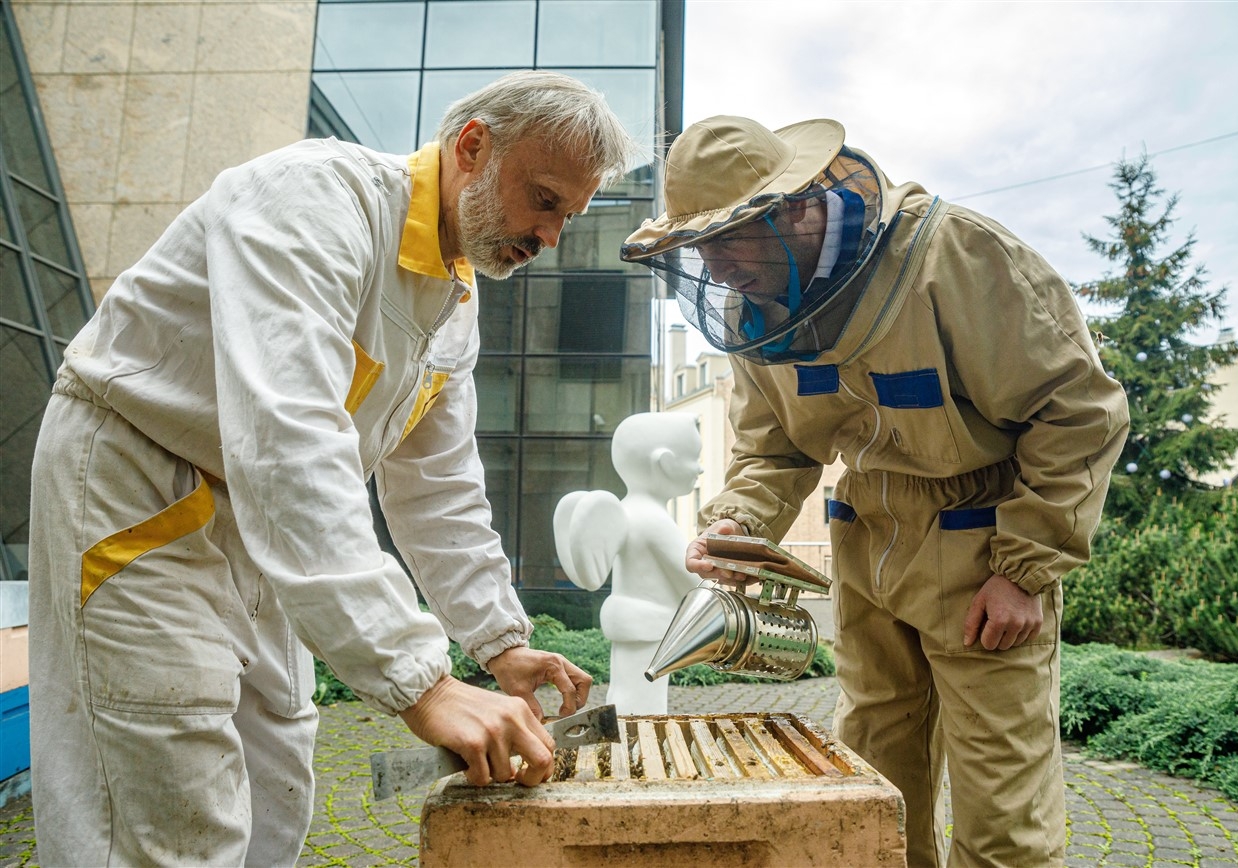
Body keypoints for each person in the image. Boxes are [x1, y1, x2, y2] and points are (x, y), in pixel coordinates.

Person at [27, 70, 640, 866]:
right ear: (473, 146)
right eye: (546, 199)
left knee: (273, 792)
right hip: (139, 491)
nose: (552, 235)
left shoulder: (454, 304)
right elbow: (289, 438)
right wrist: (423, 684)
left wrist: (499, 643)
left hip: (260, 531)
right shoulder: (311, 199)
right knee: (169, 810)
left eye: (570, 215)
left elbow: (439, 487)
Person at [621, 115, 1128, 866]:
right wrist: (737, 523)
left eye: (729, 239)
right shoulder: (754, 310)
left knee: (1001, 822)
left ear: (793, 207)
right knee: (871, 796)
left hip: (985, 553)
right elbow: (775, 446)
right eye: (700, 246)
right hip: (865, 544)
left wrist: (1025, 569)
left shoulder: (955, 257)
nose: (716, 266)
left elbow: (1079, 412)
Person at [553, 412, 704, 714]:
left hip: (632, 622)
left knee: (625, 688)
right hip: (650, 625)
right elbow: (691, 579)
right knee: (645, 699)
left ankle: (624, 738)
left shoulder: (627, 509)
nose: (699, 468)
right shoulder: (654, 519)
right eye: (692, 458)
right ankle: (639, 748)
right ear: (665, 462)